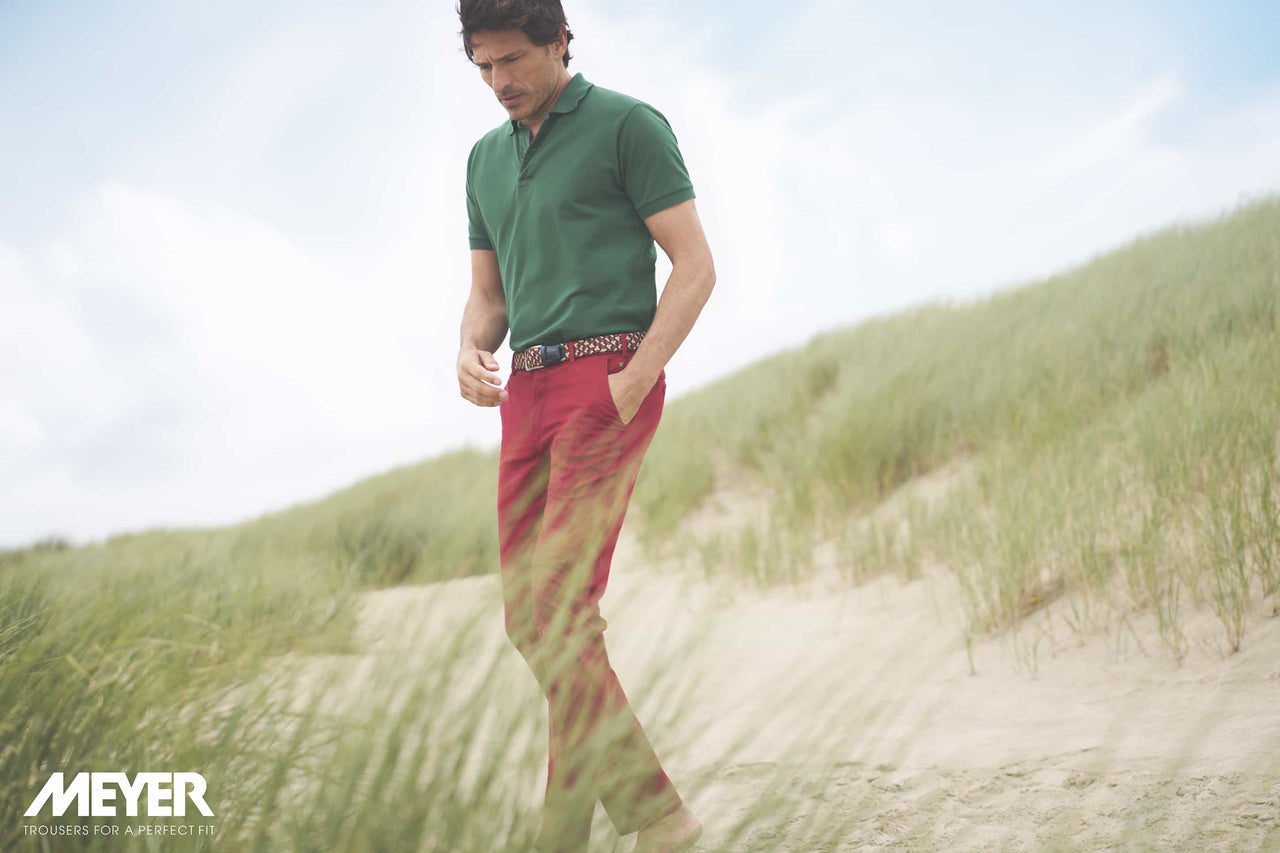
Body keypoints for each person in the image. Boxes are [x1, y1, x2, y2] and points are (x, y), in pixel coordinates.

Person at [454, 2, 715, 850]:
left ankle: (645, 820)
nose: (499, 81)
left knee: (560, 605)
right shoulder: (483, 160)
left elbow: (695, 265)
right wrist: (469, 348)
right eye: (483, 65)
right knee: (533, 621)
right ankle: (595, 827)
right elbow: (489, 297)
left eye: (513, 60)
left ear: (560, 40)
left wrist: (634, 381)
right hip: (525, 394)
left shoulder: (627, 125)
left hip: (604, 379)